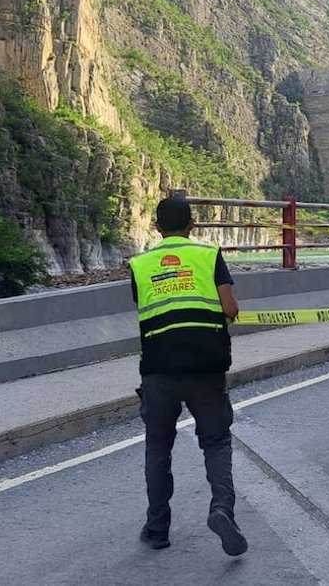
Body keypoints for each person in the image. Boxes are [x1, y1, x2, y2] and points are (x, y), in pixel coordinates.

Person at [129, 196, 248, 556]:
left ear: (157, 227)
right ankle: (222, 510)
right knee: (215, 442)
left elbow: (146, 309)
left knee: (158, 446)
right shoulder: (209, 256)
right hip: (205, 366)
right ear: (192, 225)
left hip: (159, 368)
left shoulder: (140, 264)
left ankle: (157, 527)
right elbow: (229, 308)